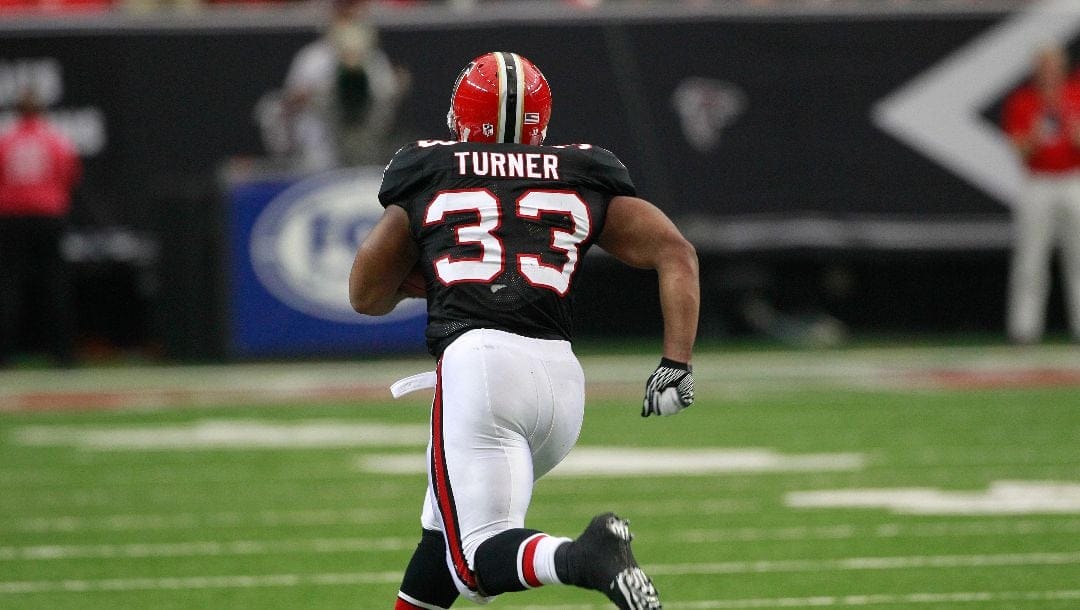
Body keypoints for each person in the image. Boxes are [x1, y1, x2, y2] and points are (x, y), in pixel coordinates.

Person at [349, 53, 698, 609]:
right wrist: (675, 364)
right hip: (561, 383)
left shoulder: (430, 168)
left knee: (475, 558)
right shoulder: (582, 171)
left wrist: (438, 280)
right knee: (440, 545)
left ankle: (585, 557)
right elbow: (674, 252)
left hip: (481, 367)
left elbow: (365, 292)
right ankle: (580, 556)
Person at [1001, 43, 1080, 343]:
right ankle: (1025, 330)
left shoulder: (1076, 93)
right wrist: (1033, 137)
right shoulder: (1023, 101)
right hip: (1038, 182)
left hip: (1074, 179)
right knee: (1031, 257)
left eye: (1053, 64)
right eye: (1042, 65)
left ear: (1063, 66)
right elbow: (1019, 151)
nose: (1048, 71)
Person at [0, 88, 82, 367]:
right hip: (48, 215)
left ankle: (5, 354)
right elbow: (69, 175)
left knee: (10, 284)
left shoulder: (6, 141)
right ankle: (62, 355)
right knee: (55, 284)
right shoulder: (55, 140)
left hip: (12, 217)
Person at [280, 0, 409, 172]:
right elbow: (289, 103)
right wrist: (311, 96)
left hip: (364, 149)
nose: (349, 19)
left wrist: (396, 86)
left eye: (353, 11)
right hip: (319, 148)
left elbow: (384, 103)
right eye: (343, 12)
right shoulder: (313, 57)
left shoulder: (374, 60)